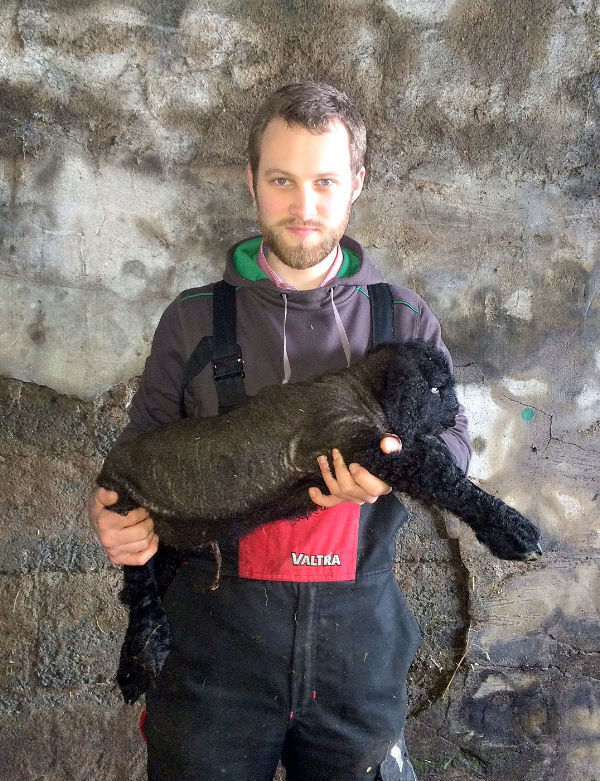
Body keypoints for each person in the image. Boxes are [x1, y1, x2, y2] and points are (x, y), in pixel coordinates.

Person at [89, 81, 471, 781]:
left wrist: (390, 462)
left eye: (325, 181)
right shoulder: (194, 320)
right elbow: (135, 454)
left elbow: (454, 446)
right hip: (215, 654)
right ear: (252, 183)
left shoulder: (403, 320)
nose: (304, 205)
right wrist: (111, 514)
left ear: (355, 183)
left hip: (357, 655)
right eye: (282, 180)